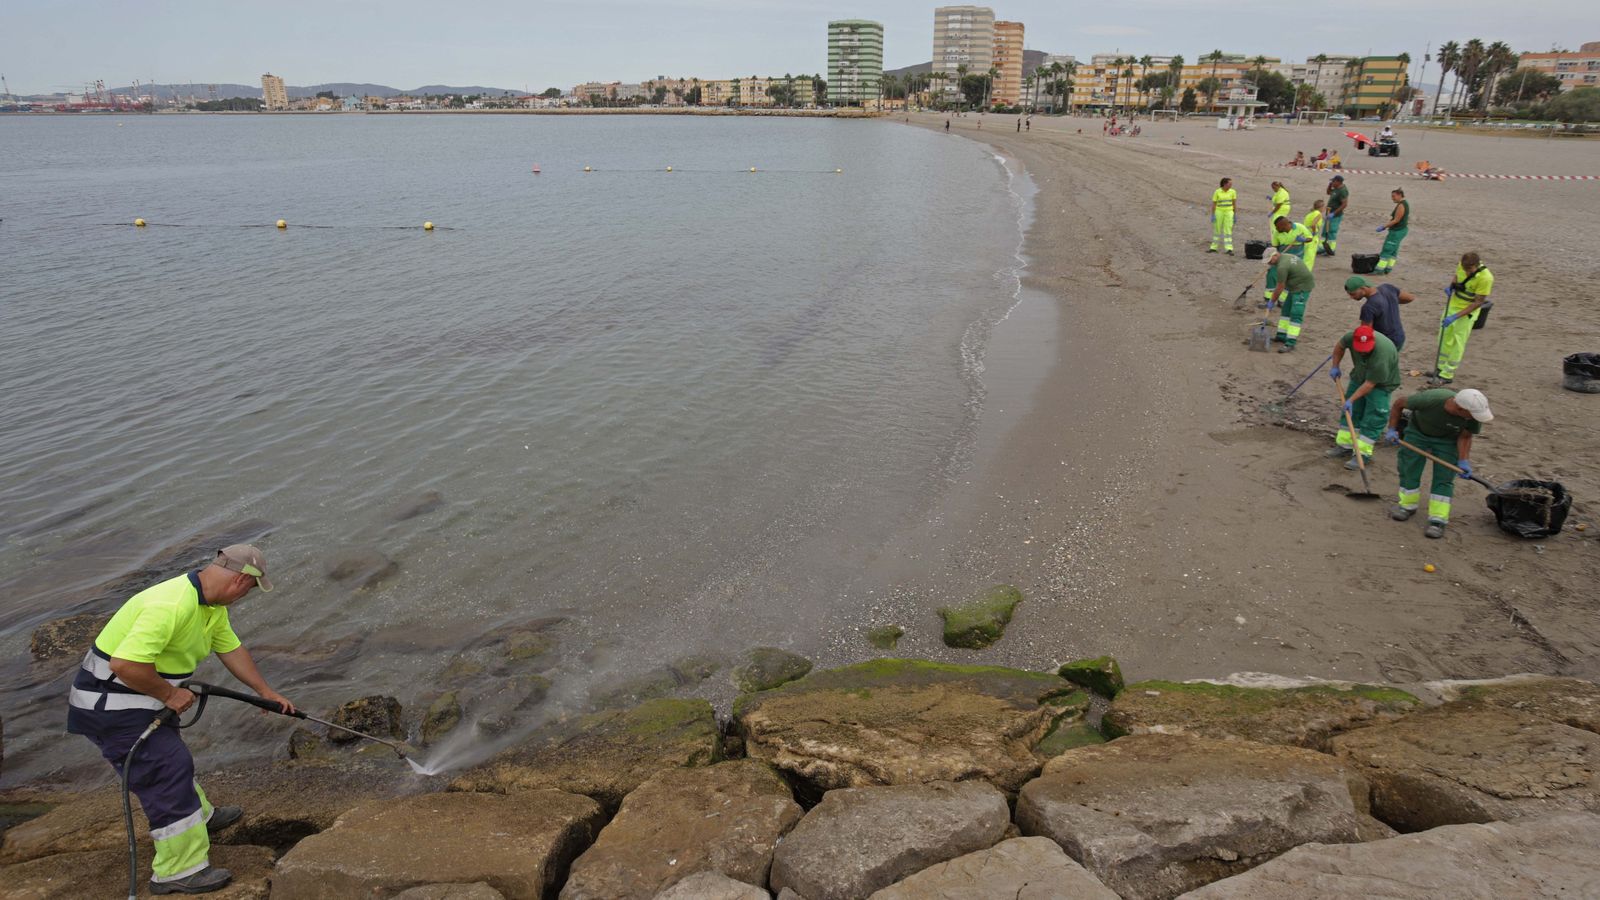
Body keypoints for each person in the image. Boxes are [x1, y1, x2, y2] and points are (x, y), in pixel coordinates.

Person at [66, 545, 294, 895]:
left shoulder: (210, 606)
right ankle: (178, 870)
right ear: (239, 581)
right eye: (250, 589)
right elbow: (124, 666)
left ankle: (198, 819)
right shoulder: (171, 604)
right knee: (165, 769)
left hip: (141, 698)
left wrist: (265, 691)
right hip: (111, 707)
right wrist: (170, 695)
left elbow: (230, 648)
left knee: (170, 759)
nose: (246, 597)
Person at [1384, 388, 1493, 539]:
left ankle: (1438, 519)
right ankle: (1407, 506)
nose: (1475, 417)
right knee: (1409, 469)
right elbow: (1398, 404)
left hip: (1448, 441)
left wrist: (1463, 460)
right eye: (1471, 415)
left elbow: (1465, 436)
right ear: (1460, 409)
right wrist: (1392, 429)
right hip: (1418, 433)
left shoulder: (1473, 415)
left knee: (1444, 477)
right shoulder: (1430, 400)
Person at [1327, 324, 1401, 469]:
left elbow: (1369, 385)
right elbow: (1339, 347)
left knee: (1373, 417)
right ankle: (1345, 445)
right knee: (1350, 412)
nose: (1363, 352)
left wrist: (1350, 400)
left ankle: (1362, 454)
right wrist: (1335, 365)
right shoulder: (1350, 336)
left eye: (1366, 350)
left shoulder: (1382, 354)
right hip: (1360, 376)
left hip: (1381, 384)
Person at [1432, 251, 1494, 385]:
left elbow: (1478, 302)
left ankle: (1448, 374)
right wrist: (1451, 287)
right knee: (1444, 337)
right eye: (1465, 269)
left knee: (1457, 342)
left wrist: (1456, 316)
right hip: (1453, 305)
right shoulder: (1462, 265)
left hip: (1467, 311)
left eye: (1469, 270)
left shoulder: (1486, 278)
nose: (1466, 272)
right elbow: (1456, 277)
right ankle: (1440, 368)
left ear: (1477, 265)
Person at [1344, 276, 1414, 351]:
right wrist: (1392, 302)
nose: (1351, 297)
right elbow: (1410, 298)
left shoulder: (1368, 307)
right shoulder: (1388, 288)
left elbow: (1366, 333)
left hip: (1384, 344)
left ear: (1363, 288)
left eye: (1353, 294)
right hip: (1399, 337)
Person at [1266, 245, 1315, 352]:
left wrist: (1272, 301)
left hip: (1302, 288)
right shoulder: (1285, 256)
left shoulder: (1282, 267)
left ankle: (1290, 342)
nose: (1269, 263)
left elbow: (1279, 287)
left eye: (1269, 260)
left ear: (1275, 255)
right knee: (1286, 311)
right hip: (1294, 286)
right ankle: (1281, 335)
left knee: (1296, 313)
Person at [1263, 215, 1315, 306]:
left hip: (1295, 259)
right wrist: (1272, 259)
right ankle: (1269, 298)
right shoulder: (1277, 232)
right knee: (1271, 274)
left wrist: (1304, 240)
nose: (1276, 229)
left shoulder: (1299, 227)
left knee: (1289, 279)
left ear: (1284, 225)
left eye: (1278, 227)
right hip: (1281, 258)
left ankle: (1282, 300)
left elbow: (1310, 238)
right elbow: (1274, 246)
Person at [1374, 188, 1409, 274]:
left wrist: (1384, 226)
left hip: (1397, 231)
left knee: (1387, 250)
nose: (1392, 198)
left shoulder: (1401, 205)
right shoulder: (1404, 204)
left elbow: (1396, 220)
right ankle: (1388, 268)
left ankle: (1379, 270)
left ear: (1399, 195)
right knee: (1393, 251)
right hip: (1401, 230)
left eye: (1393, 196)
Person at [1209, 177, 1238, 254]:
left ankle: (1229, 249)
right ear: (1225, 184)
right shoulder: (1217, 192)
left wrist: (1235, 214)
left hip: (1229, 212)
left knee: (1228, 230)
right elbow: (1214, 204)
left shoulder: (1233, 192)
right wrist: (1213, 214)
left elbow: (1234, 203)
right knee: (1217, 229)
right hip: (1219, 211)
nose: (1231, 185)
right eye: (1230, 183)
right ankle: (1213, 248)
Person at [1323, 175, 1349, 256]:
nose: (1332, 182)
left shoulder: (1342, 191)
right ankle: (1323, 248)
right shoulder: (1336, 189)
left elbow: (1344, 204)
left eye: (1333, 181)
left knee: (1332, 231)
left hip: (1335, 215)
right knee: (1325, 231)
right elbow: (1328, 192)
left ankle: (1331, 249)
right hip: (1329, 213)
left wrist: (1334, 213)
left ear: (1338, 182)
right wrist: (1330, 185)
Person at [1302, 199, 1326, 272]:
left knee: (1305, 255)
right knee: (1310, 257)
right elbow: (1313, 224)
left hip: (1305, 235)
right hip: (1312, 237)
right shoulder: (1318, 214)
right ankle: (1306, 272)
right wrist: (1314, 231)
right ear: (1321, 207)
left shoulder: (1310, 214)